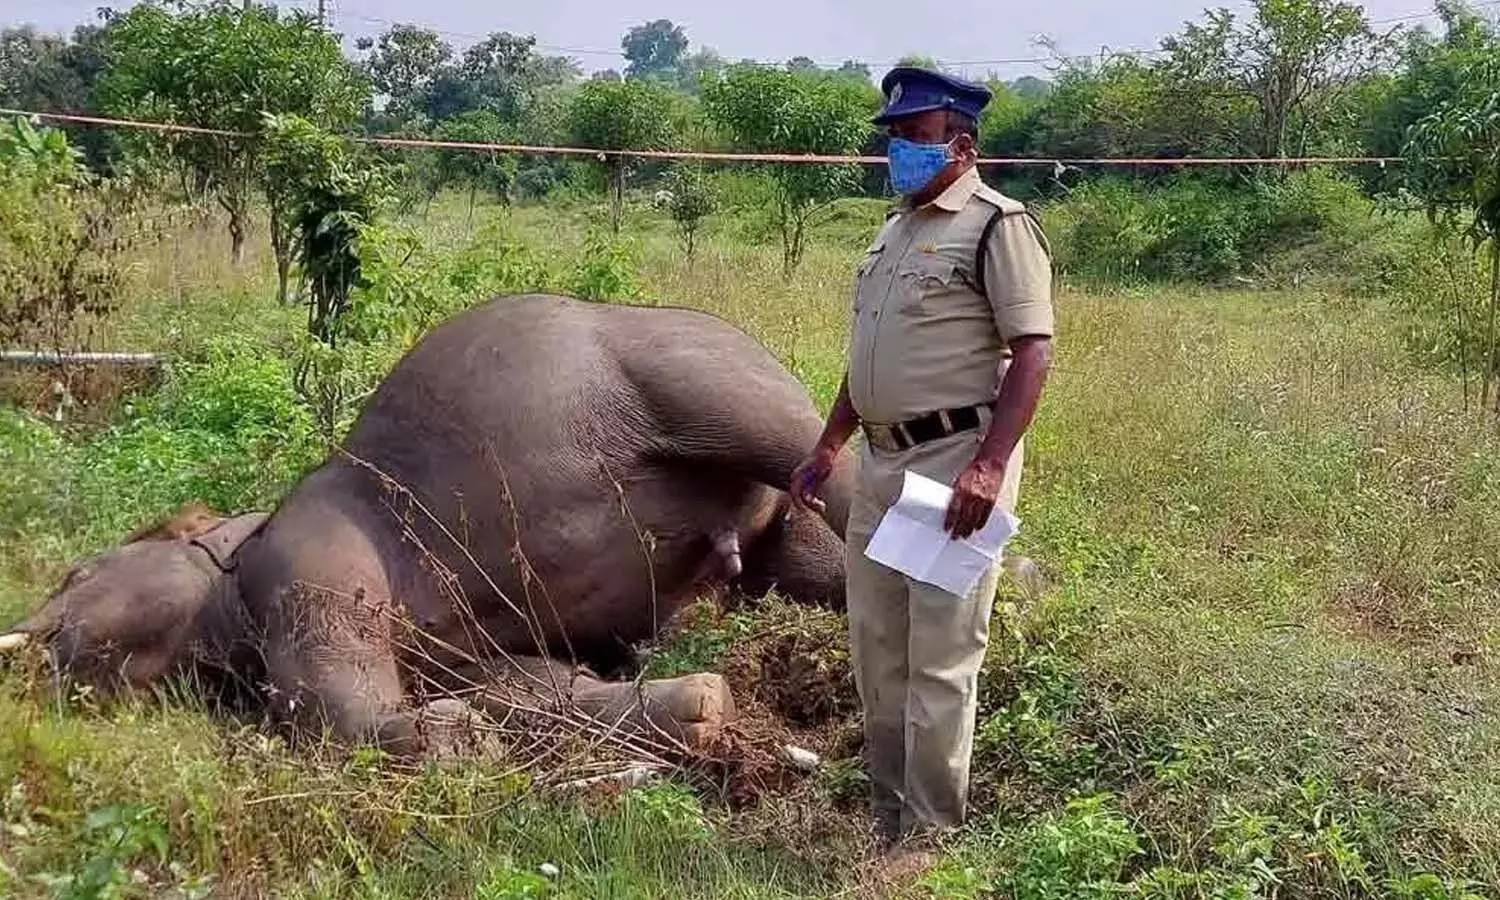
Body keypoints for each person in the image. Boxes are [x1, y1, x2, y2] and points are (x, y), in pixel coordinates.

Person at [789, 65, 1055, 858]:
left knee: (939, 660)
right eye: (894, 134)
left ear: (961, 143)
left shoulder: (997, 226)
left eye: (914, 133)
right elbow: (869, 354)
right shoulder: (894, 230)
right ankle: (887, 820)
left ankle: (927, 844)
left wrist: (987, 466)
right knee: (878, 652)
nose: (898, 146)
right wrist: (829, 441)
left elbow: (1034, 353)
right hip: (879, 464)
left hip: (954, 463)